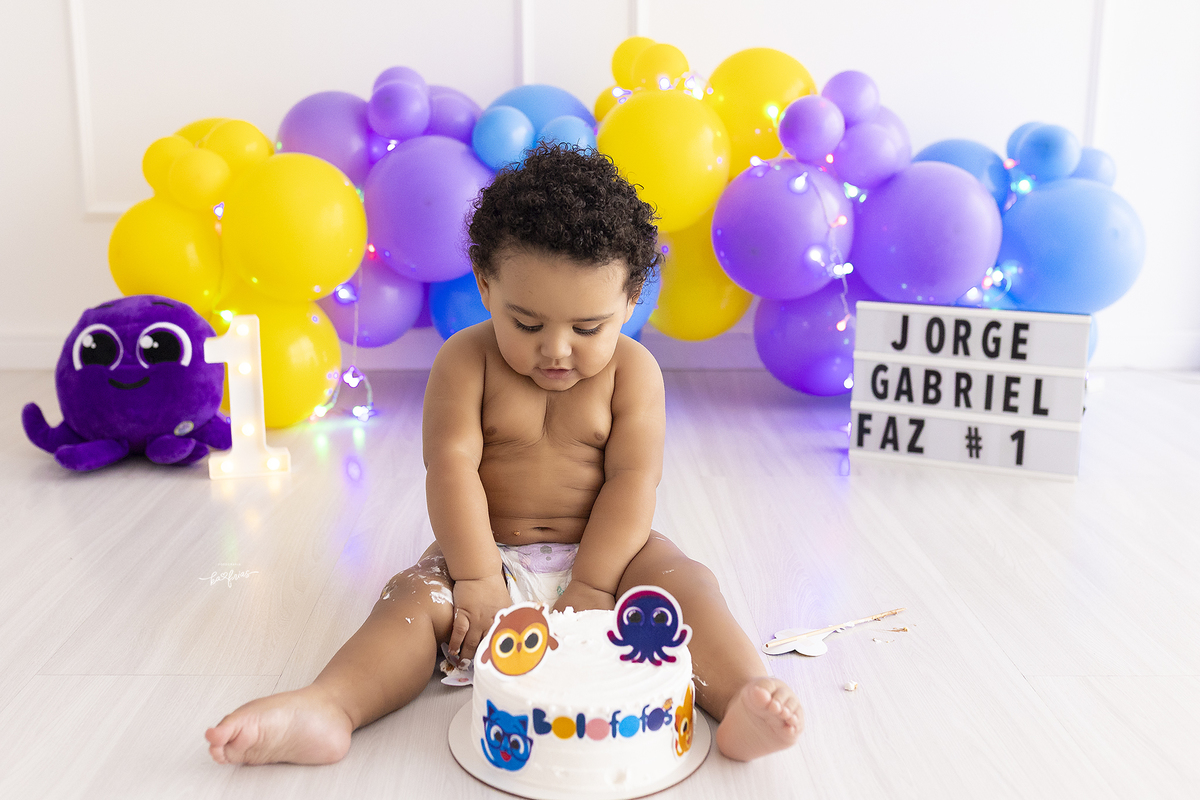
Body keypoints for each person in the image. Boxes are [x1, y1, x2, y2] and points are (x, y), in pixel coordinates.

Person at [205, 144, 802, 767]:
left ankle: (740, 702)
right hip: (488, 553)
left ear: (630, 302)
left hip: (612, 555)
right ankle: (330, 705)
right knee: (410, 601)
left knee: (686, 585)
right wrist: (477, 577)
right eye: (527, 322)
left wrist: (597, 584)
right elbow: (451, 468)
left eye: (588, 328)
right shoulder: (465, 362)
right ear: (487, 287)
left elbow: (633, 480)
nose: (557, 350)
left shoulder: (635, 371)